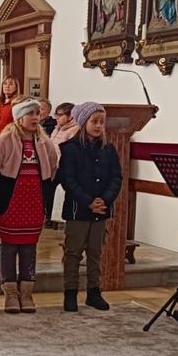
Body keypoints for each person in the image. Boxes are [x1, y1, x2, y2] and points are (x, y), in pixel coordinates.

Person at [0, 98, 58, 313]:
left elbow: (52, 167)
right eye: (31, 113)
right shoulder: (4, 140)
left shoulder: (45, 143)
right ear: (19, 117)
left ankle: (26, 293)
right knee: (9, 248)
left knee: (29, 248)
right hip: (11, 203)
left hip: (34, 203)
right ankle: (10, 294)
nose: (36, 117)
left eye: (37, 113)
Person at [58, 102, 122, 312]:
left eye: (102, 122)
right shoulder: (70, 149)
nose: (98, 126)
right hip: (79, 209)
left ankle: (94, 292)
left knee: (95, 252)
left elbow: (116, 177)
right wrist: (88, 201)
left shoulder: (108, 149)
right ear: (83, 122)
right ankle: (70, 293)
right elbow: (68, 180)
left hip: (101, 209)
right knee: (73, 252)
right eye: (94, 121)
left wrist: (105, 199)